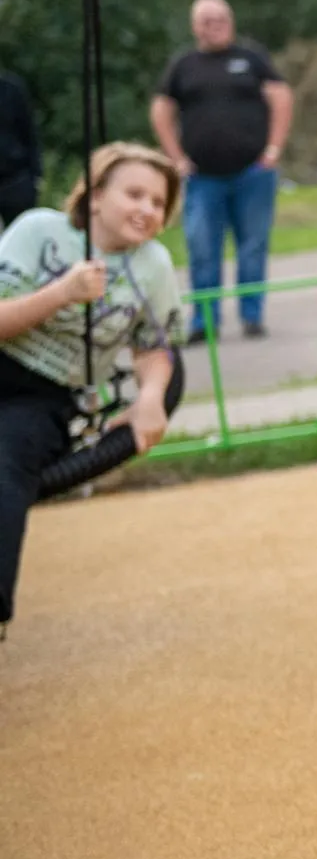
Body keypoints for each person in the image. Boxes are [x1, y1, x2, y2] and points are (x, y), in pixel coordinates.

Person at [0, 142, 183, 637]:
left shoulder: (153, 265)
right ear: (96, 194)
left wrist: (151, 398)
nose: (147, 209)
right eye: (134, 194)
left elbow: (155, 347)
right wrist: (62, 293)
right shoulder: (40, 232)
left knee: (7, 459)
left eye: (158, 202)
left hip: (45, 397)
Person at [150, 0, 293, 342]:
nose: (214, 26)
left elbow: (281, 96)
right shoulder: (184, 65)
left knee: (253, 246)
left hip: (252, 173)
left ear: (231, 21)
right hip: (202, 177)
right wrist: (175, 157)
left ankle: (252, 315)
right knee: (202, 249)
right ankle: (204, 321)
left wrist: (273, 149)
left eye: (221, 19)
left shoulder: (251, 58)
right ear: (195, 26)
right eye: (207, 21)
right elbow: (161, 108)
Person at [0, 67, 42, 227]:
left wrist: (36, 175)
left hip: (15, 179)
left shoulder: (12, 89)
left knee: (22, 230)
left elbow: (29, 133)